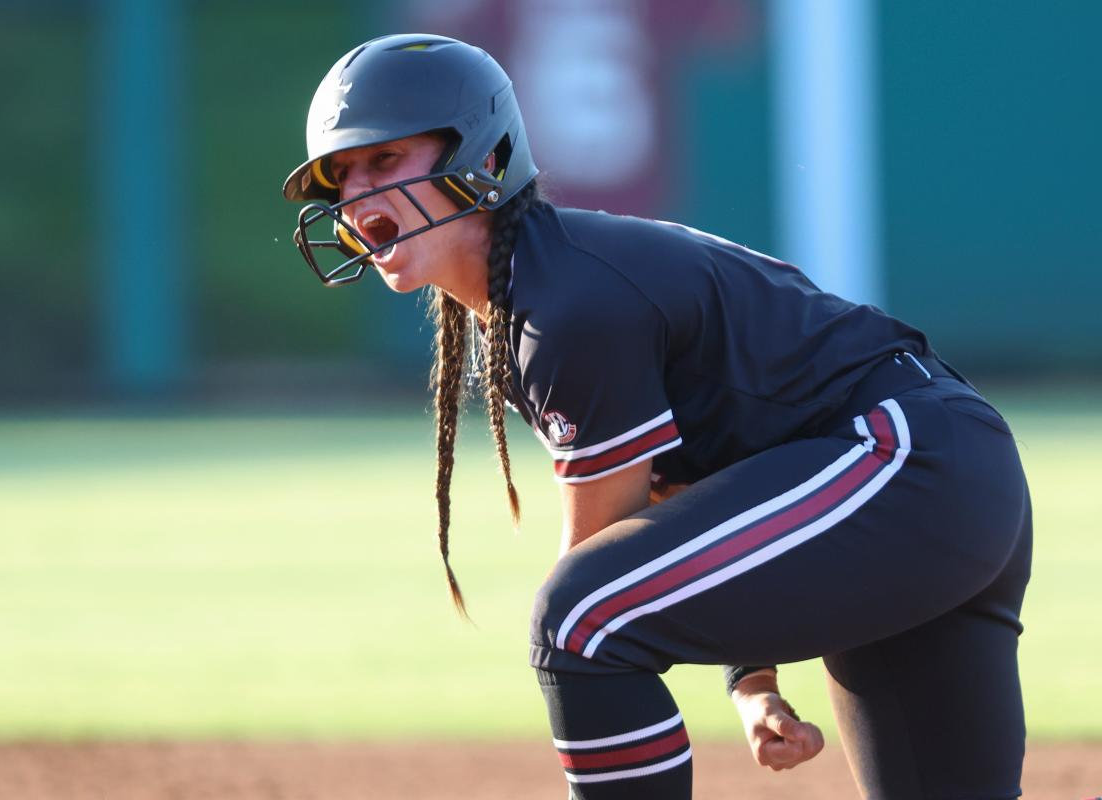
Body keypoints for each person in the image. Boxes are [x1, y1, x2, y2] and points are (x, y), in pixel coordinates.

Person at [282, 33, 1032, 799]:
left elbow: (603, 569)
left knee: (577, 620)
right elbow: (690, 496)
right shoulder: (537, 288)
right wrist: (752, 678)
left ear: (485, 156)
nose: (356, 198)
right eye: (342, 178)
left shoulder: (565, 303)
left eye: (384, 161)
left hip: (904, 463)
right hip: (932, 481)